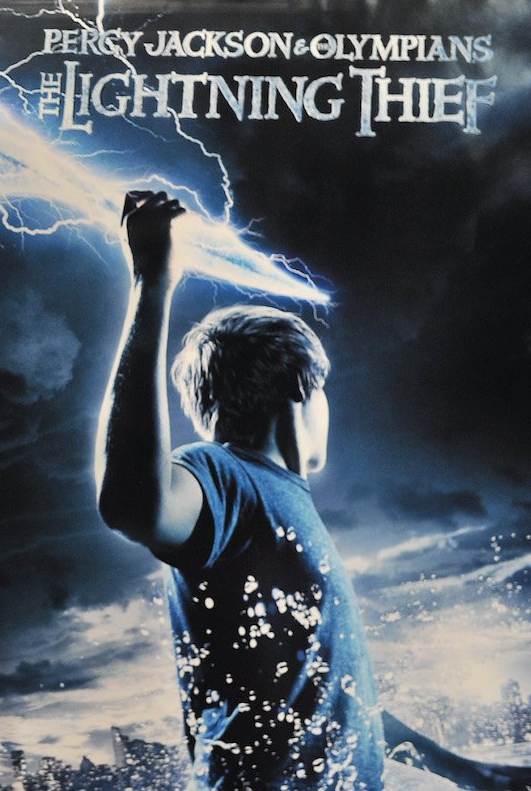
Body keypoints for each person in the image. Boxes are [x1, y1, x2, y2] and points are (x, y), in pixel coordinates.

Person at [96, 190, 530, 789]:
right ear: (301, 389)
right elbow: (130, 504)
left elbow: (338, 696)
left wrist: (471, 771)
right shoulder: (224, 475)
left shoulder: (285, 504)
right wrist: (152, 285)